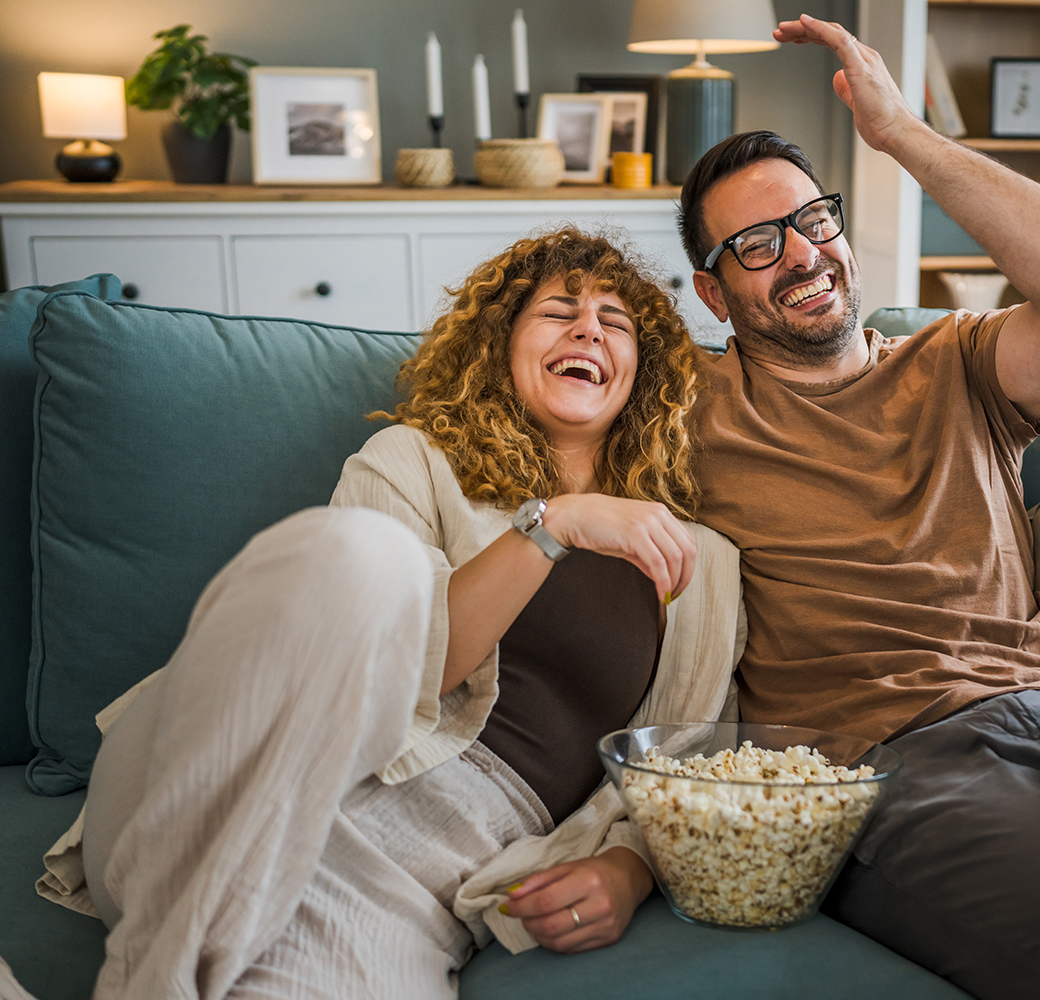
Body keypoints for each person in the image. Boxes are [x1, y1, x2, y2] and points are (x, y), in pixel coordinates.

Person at [63, 228, 745, 1000]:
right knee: (360, 558)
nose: (588, 327)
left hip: (426, 860)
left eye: (614, 324)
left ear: (642, 375)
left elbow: (689, 764)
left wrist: (629, 868)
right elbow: (392, 662)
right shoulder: (413, 459)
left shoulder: (704, 564)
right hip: (243, 757)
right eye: (559, 312)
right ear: (499, 346)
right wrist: (552, 525)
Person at [677, 14, 1040, 1000]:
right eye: (755, 246)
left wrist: (902, 137)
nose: (800, 255)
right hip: (890, 764)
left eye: (812, 220)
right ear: (712, 296)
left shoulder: (958, 359)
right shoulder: (684, 406)